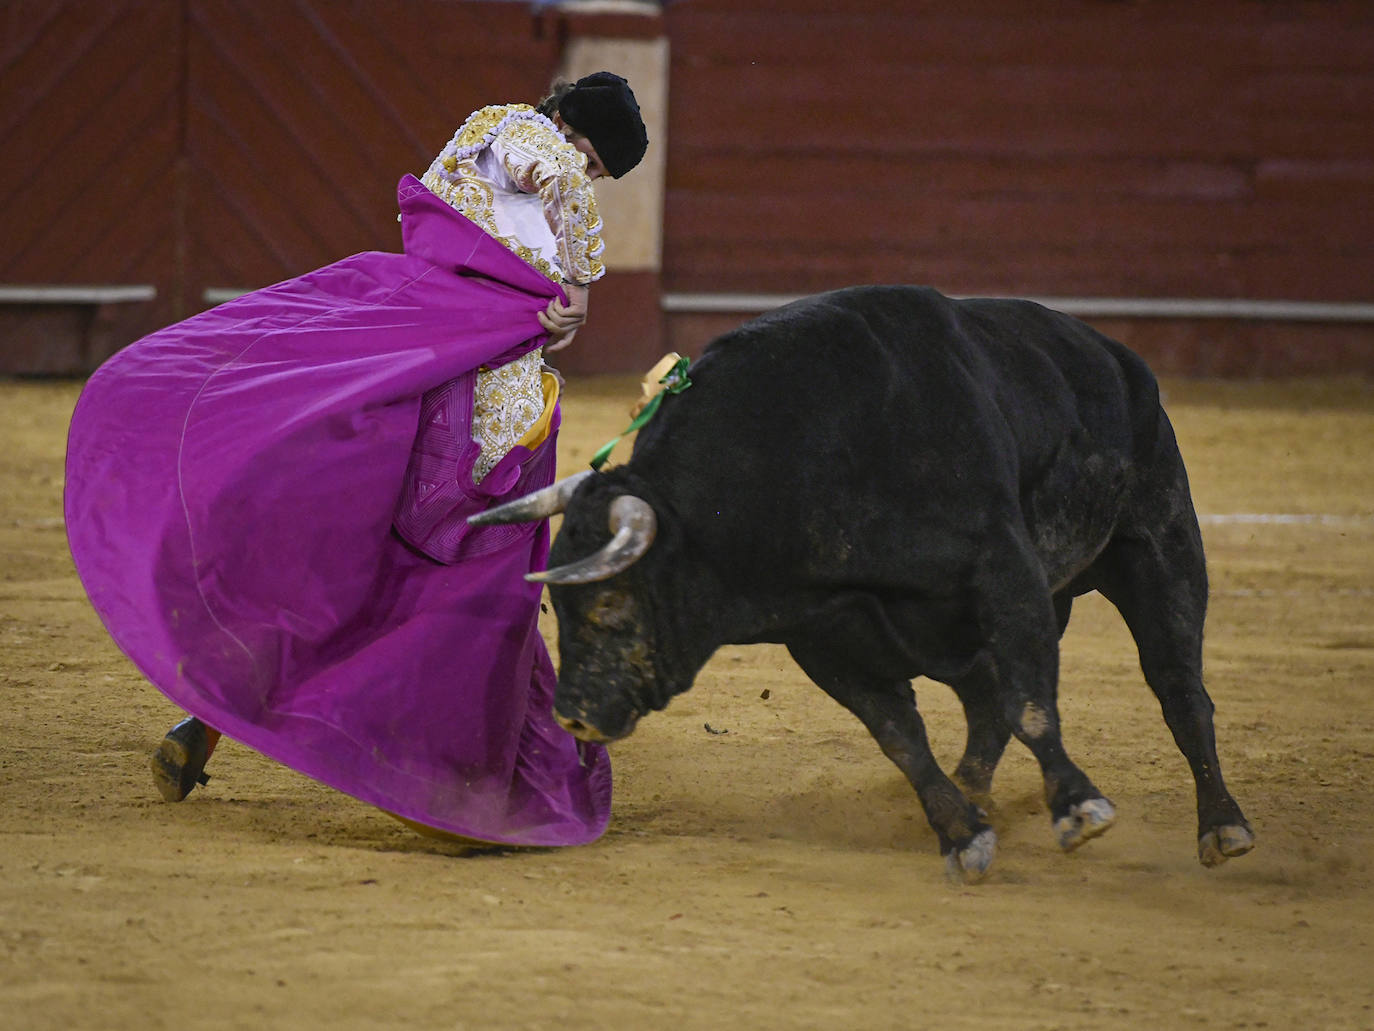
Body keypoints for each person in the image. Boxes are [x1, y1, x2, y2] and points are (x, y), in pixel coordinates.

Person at [64, 72, 648, 847]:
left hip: (427, 385)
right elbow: (561, 178)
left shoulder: (483, 134)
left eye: (603, 173)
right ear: (572, 126)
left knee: (344, 564)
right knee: (461, 592)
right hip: (480, 421)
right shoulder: (529, 138)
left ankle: (210, 720)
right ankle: (443, 781)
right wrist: (576, 286)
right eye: (597, 161)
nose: (592, 178)